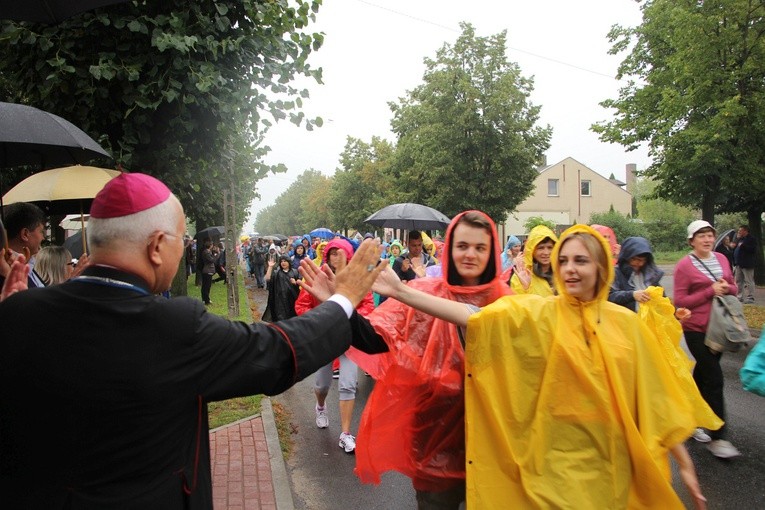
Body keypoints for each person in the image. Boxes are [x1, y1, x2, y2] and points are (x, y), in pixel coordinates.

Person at [0, 172, 388, 508]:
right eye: (179, 241)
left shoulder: (18, 312)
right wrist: (344, 300)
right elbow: (275, 353)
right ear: (155, 247)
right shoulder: (173, 326)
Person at [370, 224, 713, 509]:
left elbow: (654, 400)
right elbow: (475, 318)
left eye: (581, 260)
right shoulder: (540, 312)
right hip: (555, 461)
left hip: (612, 460)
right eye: (563, 260)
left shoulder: (628, 326)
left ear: (601, 267)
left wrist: (684, 464)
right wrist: (401, 292)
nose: (569, 268)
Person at [314, 211, 510, 509]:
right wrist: (340, 306)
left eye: (480, 247)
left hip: (490, 452)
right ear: (449, 250)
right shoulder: (424, 295)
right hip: (434, 448)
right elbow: (374, 339)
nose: (470, 254)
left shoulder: (508, 304)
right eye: (462, 246)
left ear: (492, 252)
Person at [295, 238, 375, 453]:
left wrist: (354, 319)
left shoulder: (356, 278)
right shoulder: (318, 276)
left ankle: (346, 434)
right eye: (333, 253)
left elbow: (368, 305)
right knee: (322, 384)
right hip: (324, 339)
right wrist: (320, 321)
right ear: (327, 255)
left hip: (349, 339)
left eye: (341, 253)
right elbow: (301, 305)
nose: (337, 257)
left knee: (348, 385)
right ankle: (320, 406)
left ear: (349, 256)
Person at [674, 219, 741, 458]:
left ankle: (691, 419)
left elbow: (733, 287)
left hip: (720, 327)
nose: (707, 240)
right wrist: (709, 291)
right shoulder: (684, 265)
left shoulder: (722, 259)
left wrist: (726, 288)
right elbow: (680, 301)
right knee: (714, 378)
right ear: (691, 240)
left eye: (710, 235)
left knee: (703, 375)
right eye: (701, 236)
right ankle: (718, 436)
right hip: (696, 329)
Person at [609, 236, 665, 311]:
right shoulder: (615, 273)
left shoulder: (650, 275)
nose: (639, 263)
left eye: (643, 260)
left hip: (647, 320)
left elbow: (662, 298)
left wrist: (675, 311)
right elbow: (609, 296)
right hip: (625, 320)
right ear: (626, 256)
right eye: (635, 259)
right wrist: (632, 295)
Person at [1, 201, 47, 288]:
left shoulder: (29, 264)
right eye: (41, 232)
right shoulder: (4, 269)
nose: (43, 238)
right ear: (25, 234)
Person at [510, 224, 557, 296]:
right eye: (541, 248)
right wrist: (526, 289)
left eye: (550, 247)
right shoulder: (521, 276)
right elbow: (518, 304)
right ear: (532, 250)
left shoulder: (562, 272)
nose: (546, 253)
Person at [262, 254, 300, 322]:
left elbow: (301, 284)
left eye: (285, 261)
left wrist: (296, 282)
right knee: (281, 319)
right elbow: (268, 278)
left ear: (289, 262)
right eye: (281, 261)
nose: (283, 263)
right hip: (280, 301)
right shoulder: (277, 273)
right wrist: (270, 267)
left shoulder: (295, 272)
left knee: (292, 318)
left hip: (292, 300)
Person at [732, 224, 756, 304]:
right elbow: (736, 248)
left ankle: (750, 297)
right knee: (738, 280)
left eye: (740, 230)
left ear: (745, 231)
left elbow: (752, 250)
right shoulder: (740, 239)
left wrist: (743, 246)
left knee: (749, 280)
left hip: (747, 263)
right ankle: (739, 296)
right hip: (739, 263)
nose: (739, 232)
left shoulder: (751, 239)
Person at [200, 238, 219, 306]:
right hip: (207, 270)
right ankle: (206, 300)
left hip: (209, 270)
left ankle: (206, 299)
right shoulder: (206, 252)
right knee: (206, 286)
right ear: (210, 245)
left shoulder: (208, 252)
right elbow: (212, 260)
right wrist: (216, 255)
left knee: (207, 286)